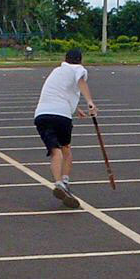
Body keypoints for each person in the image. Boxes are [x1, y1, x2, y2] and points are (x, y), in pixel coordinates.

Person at [34, 48, 97, 208]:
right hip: (61, 115)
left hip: (42, 115)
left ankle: (58, 183)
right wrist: (90, 102)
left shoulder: (57, 71)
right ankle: (65, 181)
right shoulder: (78, 69)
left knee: (55, 151)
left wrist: (76, 108)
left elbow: (59, 93)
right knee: (66, 149)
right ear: (80, 60)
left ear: (65, 59)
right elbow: (81, 83)